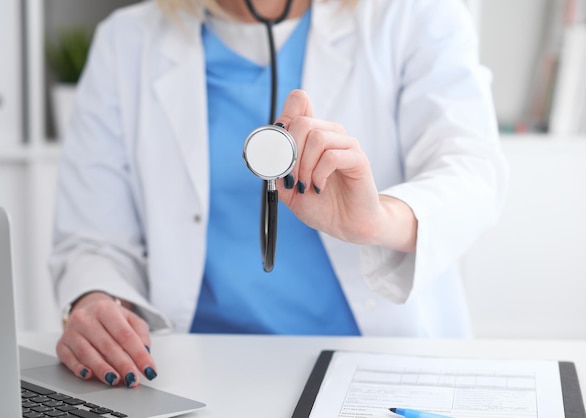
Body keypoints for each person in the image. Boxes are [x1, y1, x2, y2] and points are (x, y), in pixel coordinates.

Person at [50, 0, 509, 388]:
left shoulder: (411, 15)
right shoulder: (127, 41)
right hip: (193, 369)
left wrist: (378, 218)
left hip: (376, 365)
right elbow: (93, 236)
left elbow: (473, 172)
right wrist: (97, 299)